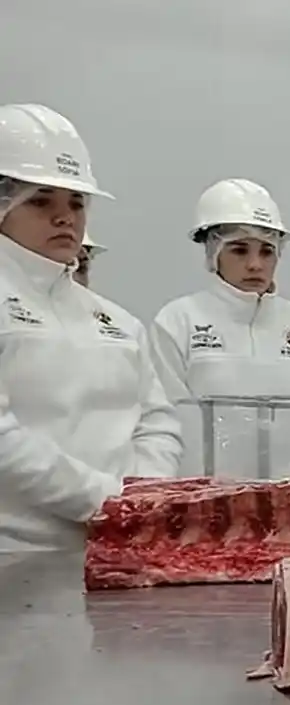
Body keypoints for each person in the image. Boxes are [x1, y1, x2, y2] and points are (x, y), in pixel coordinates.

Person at [0, 104, 180, 551]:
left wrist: (143, 498)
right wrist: (107, 500)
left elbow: (157, 422)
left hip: (120, 545)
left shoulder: (117, 321)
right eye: (42, 200)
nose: (66, 217)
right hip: (15, 555)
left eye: (76, 202)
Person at [150, 178, 290, 476]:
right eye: (239, 250)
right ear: (213, 253)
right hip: (203, 503)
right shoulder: (177, 322)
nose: (255, 264)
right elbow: (164, 424)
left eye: (266, 251)